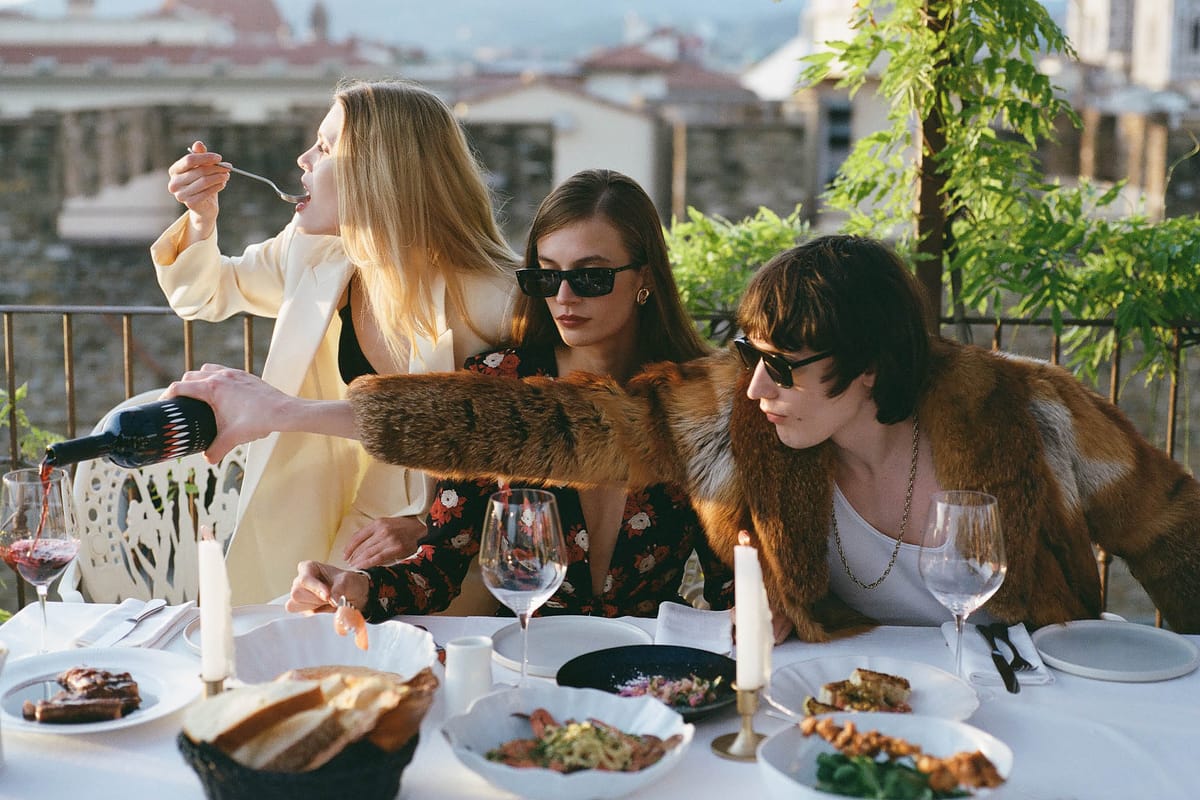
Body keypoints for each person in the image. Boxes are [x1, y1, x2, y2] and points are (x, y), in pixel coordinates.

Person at [167, 235, 1200, 640]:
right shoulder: (737, 416)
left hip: (1031, 709)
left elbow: (1175, 529)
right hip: (836, 719)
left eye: (783, 366)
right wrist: (293, 412)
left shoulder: (1032, 413)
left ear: (873, 369)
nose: (752, 387)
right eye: (745, 351)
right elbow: (539, 426)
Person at [283, 168, 734, 620]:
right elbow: (438, 568)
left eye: (591, 276)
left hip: (649, 663)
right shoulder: (500, 384)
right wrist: (354, 587)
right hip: (524, 654)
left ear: (645, 278)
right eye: (546, 276)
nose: (563, 297)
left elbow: (731, 581)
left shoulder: (702, 400)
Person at [153, 78, 519, 604]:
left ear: (379, 171)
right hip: (329, 515)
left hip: (444, 560)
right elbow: (209, 293)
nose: (303, 159)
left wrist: (426, 527)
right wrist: (200, 218)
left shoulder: (495, 301)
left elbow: (520, 455)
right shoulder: (315, 252)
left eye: (324, 147)